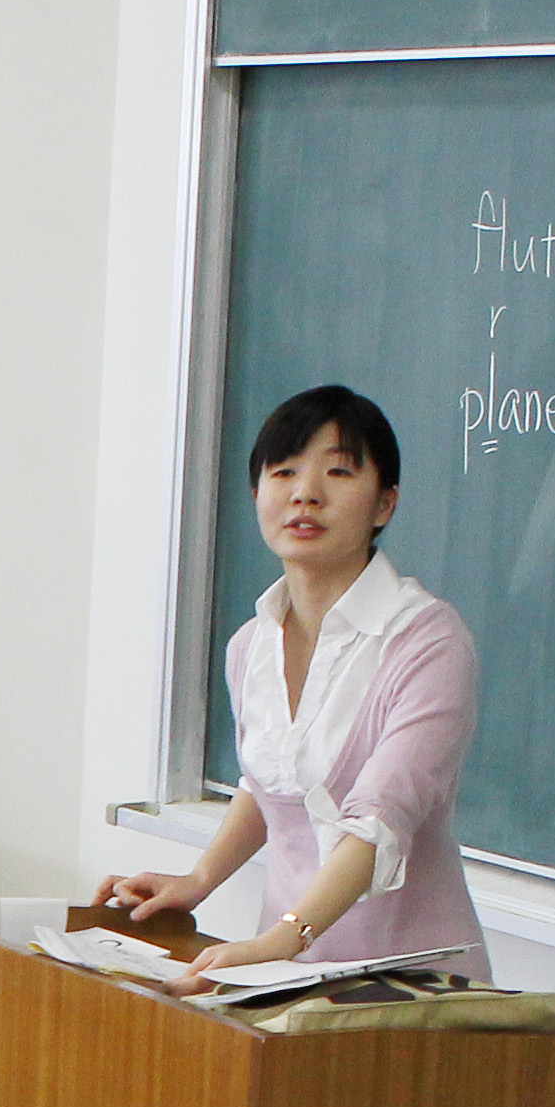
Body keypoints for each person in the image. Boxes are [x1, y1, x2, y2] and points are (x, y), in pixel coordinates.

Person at [93, 384, 481, 992]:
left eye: (338, 472)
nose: (305, 492)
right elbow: (271, 782)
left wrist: (282, 937)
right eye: (284, 472)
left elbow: (379, 821)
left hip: (407, 983)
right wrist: (199, 882)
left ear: (385, 504)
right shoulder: (251, 644)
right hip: (281, 976)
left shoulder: (428, 641)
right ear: (257, 496)